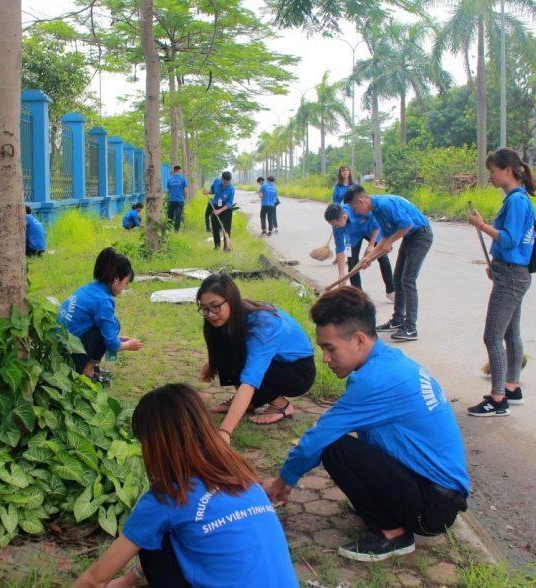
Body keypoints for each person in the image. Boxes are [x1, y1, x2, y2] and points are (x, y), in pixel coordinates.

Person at [264, 287, 469, 563]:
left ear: (359, 340)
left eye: (330, 348)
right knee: (349, 444)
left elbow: (318, 437)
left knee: (334, 446)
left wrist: (282, 482)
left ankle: (394, 535)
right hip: (439, 496)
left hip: (433, 508)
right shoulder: (389, 362)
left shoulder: (376, 380)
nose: (325, 359)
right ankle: (391, 513)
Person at [73, 384, 299, 588]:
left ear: (153, 444)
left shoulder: (169, 495)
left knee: (154, 535)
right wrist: (127, 581)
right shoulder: (242, 473)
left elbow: (94, 580)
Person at [466, 148, 536, 417]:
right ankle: (512, 387)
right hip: (510, 272)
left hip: (512, 276)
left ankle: (497, 399)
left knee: (492, 336)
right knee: (510, 333)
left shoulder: (517, 202)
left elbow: (510, 239)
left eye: (493, 172)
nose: (491, 178)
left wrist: (481, 225)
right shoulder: (515, 200)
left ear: (508, 170)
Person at [197, 274, 315, 431]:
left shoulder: (261, 326)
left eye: (215, 306)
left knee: (243, 363)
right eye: (204, 309)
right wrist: (214, 362)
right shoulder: (237, 313)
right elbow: (223, 344)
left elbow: (250, 379)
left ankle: (282, 406)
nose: (210, 314)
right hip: (278, 364)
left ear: (230, 300)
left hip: (298, 373)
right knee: (227, 353)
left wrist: (225, 431)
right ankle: (252, 402)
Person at [345, 186, 433, 342]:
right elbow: (385, 237)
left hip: (421, 236)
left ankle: (411, 328)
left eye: (355, 208)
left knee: (408, 279)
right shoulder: (376, 210)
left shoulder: (385, 204)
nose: (356, 212)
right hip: (410, 237)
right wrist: (369, 258)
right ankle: (398, 320)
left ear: (361, 201)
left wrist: (391, 241)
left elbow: (407, 225)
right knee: (397, 278)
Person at [58, 247, 143, 382]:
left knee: (112, 325)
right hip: (69, 351)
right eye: (125, 283)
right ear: (116, 279)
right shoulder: (103, 301)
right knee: (112, 326)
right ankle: (87, 370)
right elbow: (111, 344)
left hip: (60, 344)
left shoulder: (90, 287)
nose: (123, 289)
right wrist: (128, 345)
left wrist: (116, 338)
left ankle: (86, 365)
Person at [324, 203, 388, 302]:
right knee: (352, 263)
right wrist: (341, 274)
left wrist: (371, 245)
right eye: (333, 225)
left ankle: (391, 290)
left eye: (336, 225)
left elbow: (376, 225)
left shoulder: (358, 209)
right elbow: (340, 247)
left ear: (344, 217)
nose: (335, 227)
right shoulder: (336, 226)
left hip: (370, 231)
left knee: (382, 257)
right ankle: (359, 297)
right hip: (352, 237)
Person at [204, 171, 235, 251]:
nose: (226, 185)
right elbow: (212, 191)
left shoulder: (231, 189)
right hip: (215, 207)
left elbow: (229, 204)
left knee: (226, 229)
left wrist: (220, 211)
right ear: (222, 179)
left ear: (230, 180)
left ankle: (226, 247)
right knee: (215, 228)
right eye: (225, 182)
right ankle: (217, 246)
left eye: (228, 183)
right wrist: (207, 192)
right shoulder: (216, 181)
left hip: (226, 209)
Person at [166, 165, 188, 232]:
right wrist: (185, 199)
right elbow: (185, 191)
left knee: (170, 215)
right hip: (180, 200)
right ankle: (176, 230)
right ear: (179, 170)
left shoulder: (169, 179)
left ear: (174, 170)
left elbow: (168, 191)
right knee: (178, 216)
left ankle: (168, 229)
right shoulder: (183, 179)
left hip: (171, 200)